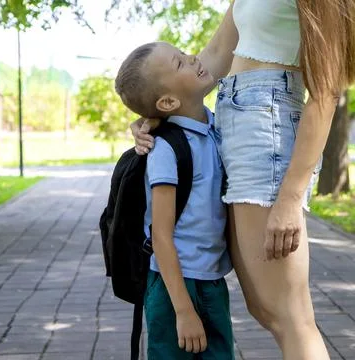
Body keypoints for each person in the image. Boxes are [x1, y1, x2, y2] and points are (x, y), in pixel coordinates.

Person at [130, 1, 355, 359]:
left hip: (266, 124)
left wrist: (290, 199)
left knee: (290, 316)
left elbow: (326, 92)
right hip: (233, 121)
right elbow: (217, 53)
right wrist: (154, 112)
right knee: (266, 309)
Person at [115, 41, 234, 359]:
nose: (193, 58)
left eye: (184, 54)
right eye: (180, 63)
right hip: (175, 287)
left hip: (210, 279)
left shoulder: (212, 126)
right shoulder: (165, 150)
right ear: (167, 100)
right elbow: (161, 236)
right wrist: (183, 311)